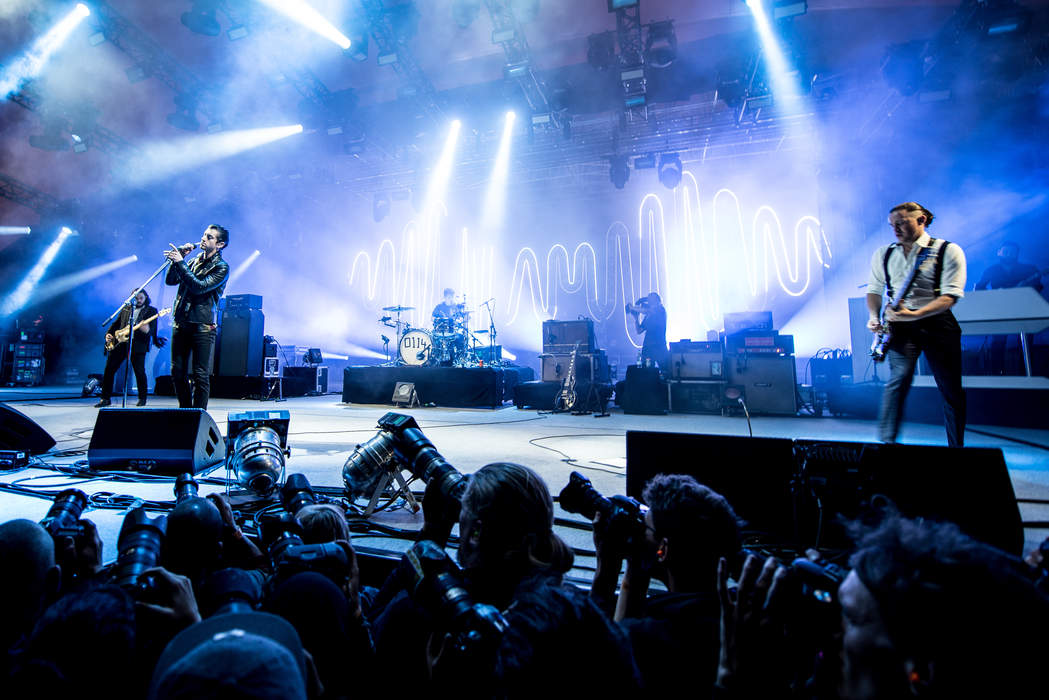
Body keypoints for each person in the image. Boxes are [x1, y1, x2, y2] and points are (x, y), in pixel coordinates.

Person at [590, 474, 741, 695]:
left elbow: (596, 663)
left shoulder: (650, 635)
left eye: (646, 527)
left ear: (664, 549)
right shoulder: (739, 615)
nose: (641, 531)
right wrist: (637, 564)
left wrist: (606, 565)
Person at [866, 202, 967, 447]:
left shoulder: (948, 250)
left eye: (901, 223)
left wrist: (914, 314)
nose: (895, 229)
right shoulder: (884, 253)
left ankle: (957, 449)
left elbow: (949, 297)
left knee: (950, 388)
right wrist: (873, 316)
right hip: (900, 327)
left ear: (921, 220)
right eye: (892, 225)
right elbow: (874, 290)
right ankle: (887, 445)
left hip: (937, 323)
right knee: (898, 380)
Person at [163, 225, 230, 410]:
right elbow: (171, 281)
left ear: (220, 244)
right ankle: (185, 410)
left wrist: (181, 263)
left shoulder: (221, 267)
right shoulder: (193, 261)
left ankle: (198, 415)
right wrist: (179, 260)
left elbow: (199, 287)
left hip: (202, 325)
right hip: (181, 322)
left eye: (209, 237)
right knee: (177, 371)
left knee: (200, 374)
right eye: (203, 235)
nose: (203, 239)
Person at [96, 289, 166, 408]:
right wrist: (109, 334)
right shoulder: (126, 309)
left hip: (138, 345)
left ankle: (142, 398)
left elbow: (152, 330)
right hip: (121, 343)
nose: (138, 300)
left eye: (141, 298)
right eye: (136, 298)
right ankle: (105, 398)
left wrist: (146, 329)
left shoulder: (151, 311)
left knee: (139, 371)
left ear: (145, 298)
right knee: (109, 370)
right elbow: (116, 324)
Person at [973, 241, 1044, 292]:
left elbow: (1039, 286)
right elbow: (979, 288)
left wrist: (1025, 288)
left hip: (1024, 303)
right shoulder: (991, 270)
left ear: (1017, 254)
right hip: (999, 305)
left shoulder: (1029, 269)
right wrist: (993, 295)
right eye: (1005, 251)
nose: (1009, 254)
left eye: (1012, 252)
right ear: (998, 253)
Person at [630, 292, 669, 372]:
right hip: (648, 348)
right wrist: (636, 318)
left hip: (659, 346)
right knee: (648, 370)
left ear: (657, 300)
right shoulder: (648, 316)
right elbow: (639, 330)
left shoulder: (661, 310)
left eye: (651, 298)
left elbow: (647, 311)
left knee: (665, 369)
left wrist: (633, 308)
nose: (649, 300)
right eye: (649, 298)